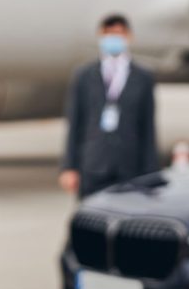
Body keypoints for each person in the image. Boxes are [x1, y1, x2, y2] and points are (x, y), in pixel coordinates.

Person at [59, 14, 159, 198]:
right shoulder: (84, 75)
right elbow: (75, 124)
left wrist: (151, 173)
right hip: (93, 165)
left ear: (129, 37)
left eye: (119, 33)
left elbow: (148, 128)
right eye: (109, 33)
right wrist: (69, 167)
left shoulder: (143, 77)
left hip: (129, 166)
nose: (114, 38)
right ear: (100, 36)